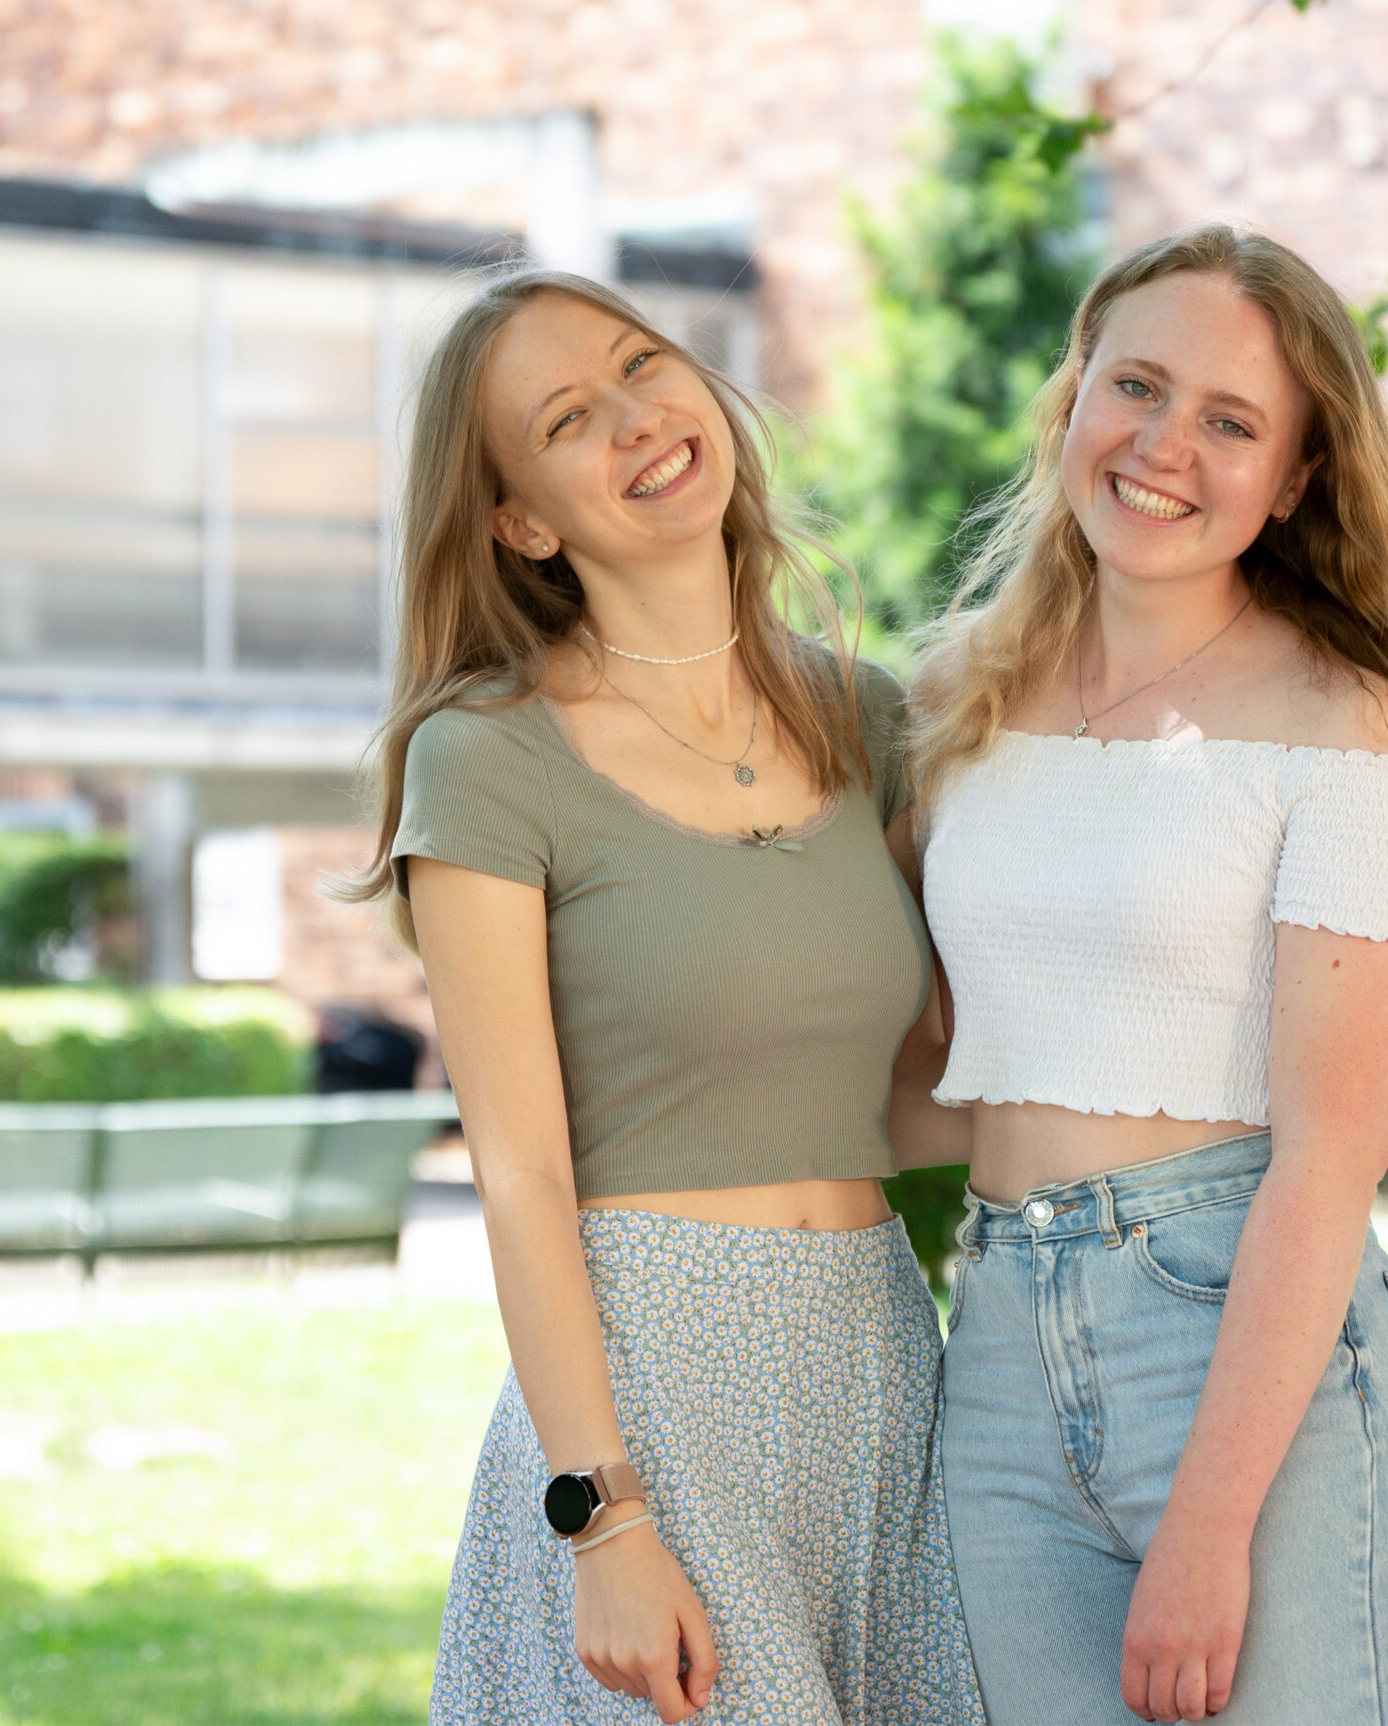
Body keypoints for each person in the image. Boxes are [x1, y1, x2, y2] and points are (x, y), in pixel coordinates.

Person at [892, 224, 1388, 1724]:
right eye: (1137, 385)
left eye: (1232, 421)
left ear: (1298, 478)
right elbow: (932, 1065)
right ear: (1072, 402)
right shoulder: (958, 695)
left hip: (1237, 1333)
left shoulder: (1348, 727)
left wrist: (1208, 1524)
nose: (1165, 444)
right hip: (995, 1343)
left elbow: (1329, 1160)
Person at [340, 267, 985, 1726]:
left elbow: (937, 1077)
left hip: (879, 1362)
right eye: (570, 419)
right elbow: (519, 1169)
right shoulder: (488, 755)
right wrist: (604, 1516)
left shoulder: (867, 715)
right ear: (521, 518)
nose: (639, 418)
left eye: (643, 366)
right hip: (650, 1381)